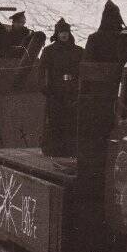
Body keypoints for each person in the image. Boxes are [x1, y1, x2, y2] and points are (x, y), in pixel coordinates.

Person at [39, 18, 84, 157]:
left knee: (72, 120)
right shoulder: (49, 51)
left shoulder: (78, 51)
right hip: (56, 91)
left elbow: (84, 70)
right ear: (57, 33)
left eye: (66, 32)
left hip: (73, 91)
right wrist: (45, 89)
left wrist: (80, 89)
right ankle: (55, 150)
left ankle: (71, 150)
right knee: (55, 121)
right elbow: (41, 71)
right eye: (61, 32)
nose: (64, 35)